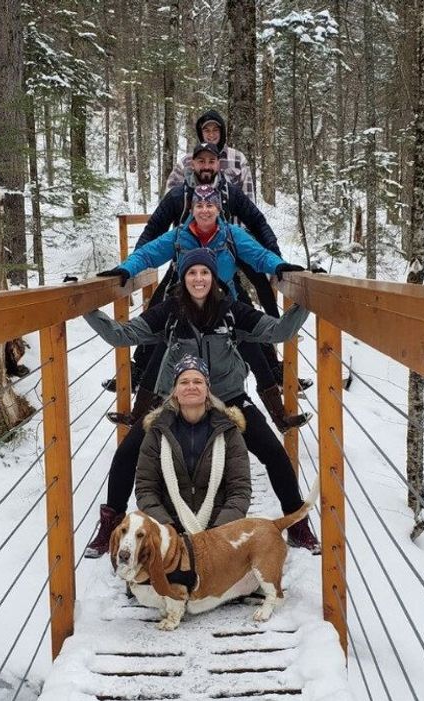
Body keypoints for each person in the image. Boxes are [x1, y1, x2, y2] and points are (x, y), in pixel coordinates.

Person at [84, 247, 321, 555]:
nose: (199, 279)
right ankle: (110, 525)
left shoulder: (231, 311)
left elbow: (280, 331)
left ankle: (297, 525)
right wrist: (87, 307)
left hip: (229, 398)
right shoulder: (169, 312)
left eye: (205, 272)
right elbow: (121, 335)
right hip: (176, 399)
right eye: (192, 273)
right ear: (183, 278)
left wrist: (308, 297)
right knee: (128, 452)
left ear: (213, 277)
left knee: (273, 451)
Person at [99, 185, 308, 432]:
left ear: (218, 209)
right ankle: (138, 419)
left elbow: (260, 256)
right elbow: (147, 255)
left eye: (210, 205)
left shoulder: (231, 235)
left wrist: (279, 266)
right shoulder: (179, 236)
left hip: (224, 307)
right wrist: (126, 269)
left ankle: (280, 418)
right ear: (192, 208)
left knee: (255, 353)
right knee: (159, 356)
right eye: (199, 205)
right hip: (185, 307)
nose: (205, 210)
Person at [137, 355, 251, 533]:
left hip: (219, 531)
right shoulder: (157, 431)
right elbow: (146, 489)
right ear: (175, 391)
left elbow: (240, 489)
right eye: (184, 382)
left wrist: (218, 531)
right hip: (169, 531)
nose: (191, 386)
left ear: (207, 390)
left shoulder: (228, 431)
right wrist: (167, 528)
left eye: (198, 381)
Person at [165, 110, 255, 200]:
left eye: (215, 130)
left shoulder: (238, 159)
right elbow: (169, 198)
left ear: (222, 132)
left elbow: (249, 198)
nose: (211, 134)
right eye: (206, 130)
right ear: (201, 133)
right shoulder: (186, 161)